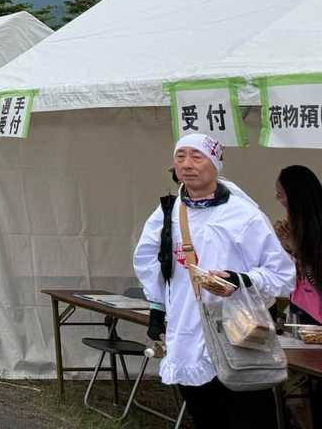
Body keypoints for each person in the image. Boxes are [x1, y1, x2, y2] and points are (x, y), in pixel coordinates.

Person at [133, 134, 293, 427]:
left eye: (197, 156)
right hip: (186, 330)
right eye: (180, 156)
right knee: (204, 413)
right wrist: (157, 308)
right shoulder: (168, 212)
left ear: (216, 163)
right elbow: (148, 263)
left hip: (237, 331)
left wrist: (240, 279)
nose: (187, 164)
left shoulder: (243, 214)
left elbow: (282, 274)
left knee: (249, 415)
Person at [277, 165, 322, 428]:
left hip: (315, 319)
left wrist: (298, 252)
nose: (277, 198)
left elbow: (316, 279)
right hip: (298, 314)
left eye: (281, 192)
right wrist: (285, 251)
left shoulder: (315, 229)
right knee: (295, 390)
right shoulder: (293, 225)